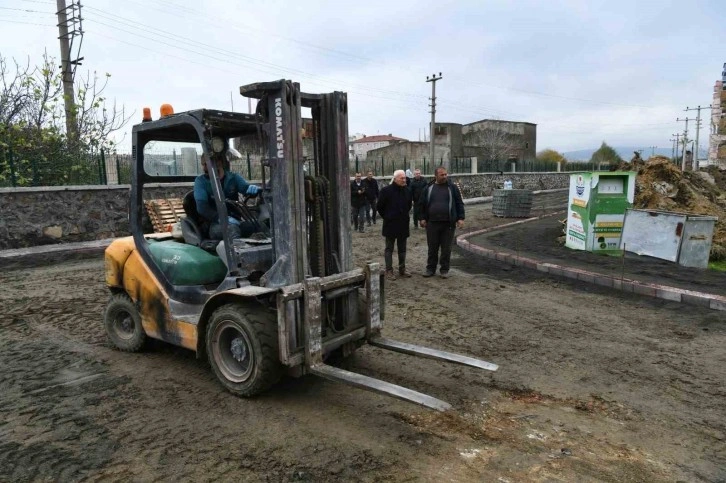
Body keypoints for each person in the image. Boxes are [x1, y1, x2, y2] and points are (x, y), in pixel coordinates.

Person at [194, 152, 260, 240]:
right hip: (215, 224)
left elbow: (246, 189)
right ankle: (238, 252)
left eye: (207, 164)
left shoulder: (233, 178)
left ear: (220, 163)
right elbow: (202, 207)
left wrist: (253, 190)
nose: (205, 168)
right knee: (232, 230)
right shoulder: (201, 181)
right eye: (204, 165)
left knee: (258, 225)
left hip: (236, 220)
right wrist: (222, 218)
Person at [418, 166, 464, 278]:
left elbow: (459, 203)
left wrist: (460, 218)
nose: (445, 176)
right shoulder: (428, 188)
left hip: (448, 224)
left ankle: (444, 270)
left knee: (446, 248)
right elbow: (421, 205)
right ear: (436, 176)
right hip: (432, 223)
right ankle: (430, 269)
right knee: (432, 248)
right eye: (442, 175)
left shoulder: (452, 188)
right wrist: (422, 218)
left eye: (445, 174)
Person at [376, 170, 413, 280]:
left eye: (405, 178)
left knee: (402, 249)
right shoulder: (386, 191)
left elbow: (409, 205)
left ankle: (402, 269)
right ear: (395, 178)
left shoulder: (407, 191)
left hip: (403, 223)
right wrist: (387, 216)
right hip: (390, 224)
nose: (404, 180)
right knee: (389, 248)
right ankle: (389, 270)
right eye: (402, 178)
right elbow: (380, 206)